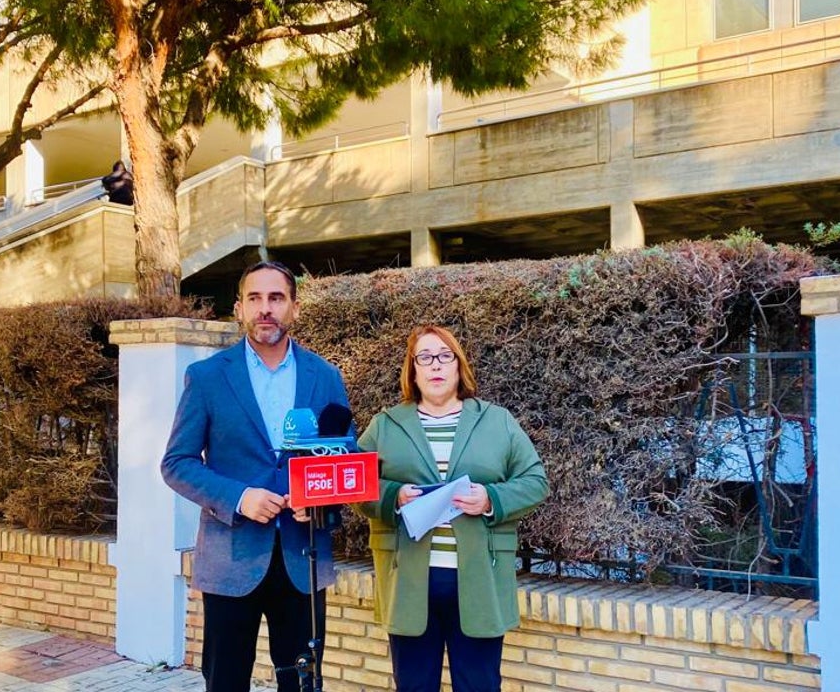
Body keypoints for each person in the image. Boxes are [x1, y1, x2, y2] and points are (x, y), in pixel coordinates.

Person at [161, 261, 350, 692]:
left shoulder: (325, 377)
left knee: (302, 684)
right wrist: (240, 496)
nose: (266, 309)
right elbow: (177, 462)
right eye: (255, 298)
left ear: (294, 309)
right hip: (231, 558)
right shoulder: (208, 377)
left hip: (304, 559)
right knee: (226, 682)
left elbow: (344, 458)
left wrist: (319, 500)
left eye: (277, 298)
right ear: (239, 308)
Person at [355, 325, 549, 692]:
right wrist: (392, 495)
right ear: (412, 370)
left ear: (459, 366)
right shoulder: (386, 425)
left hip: (478, 578)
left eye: (445, 356)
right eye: (424, 358)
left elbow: (536, 481)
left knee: (479, 684)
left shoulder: (496, 421)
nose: (435, 366)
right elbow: (354, 483)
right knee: (413, 685)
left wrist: (492, 498)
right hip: (410, 580)